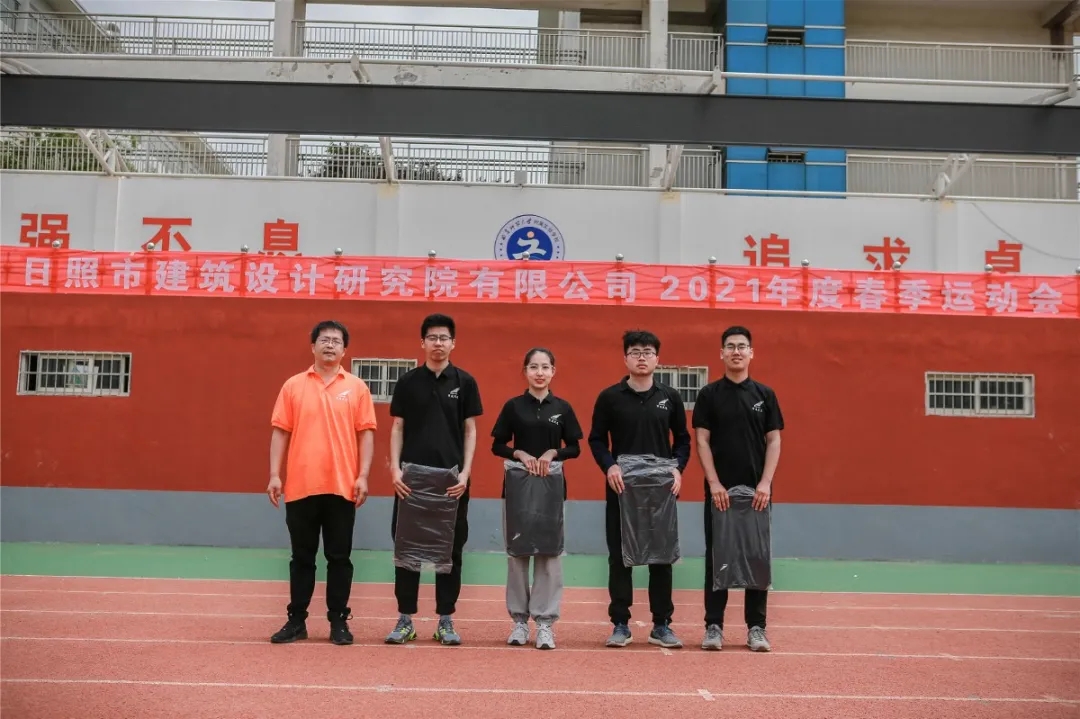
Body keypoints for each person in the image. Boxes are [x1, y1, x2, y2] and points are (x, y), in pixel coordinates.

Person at [266, 320, 378, 646]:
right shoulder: (293, 386)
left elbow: (366, 434)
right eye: (324, 340)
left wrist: (363, 475)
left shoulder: (356, 387)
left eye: (336, 341)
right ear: (312, 346)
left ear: (345, 350)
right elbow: (280, 431)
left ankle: (338, 621)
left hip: (342, 487)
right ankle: (296, 620)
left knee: (339, 558)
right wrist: (275, 474)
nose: (330, 345)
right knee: (302, 558)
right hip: (301, 486)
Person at [587, 329, 691, 649]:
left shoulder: (670, 397)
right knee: (620, 557)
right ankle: (621, 624)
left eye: (647, 352)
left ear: (657, 359)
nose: (641, 357)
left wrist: (677, 468)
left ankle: (662, 625)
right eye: (635, 352)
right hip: (622, 490)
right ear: (626, 358)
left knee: (661, 557)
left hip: (660, 492)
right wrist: (610, 466)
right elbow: (596, 439)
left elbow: (683, 440)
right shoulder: (610, 397)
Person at [385, 313, 483, 646]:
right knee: (407, 548)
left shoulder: (465, 382)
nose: (438, 343)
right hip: (411, 481)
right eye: (432, 337)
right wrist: (395, 471)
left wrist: (466, 473)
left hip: (452, 482)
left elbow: (470, 430)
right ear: (422, 342)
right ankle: (405, 619)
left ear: (453, 343)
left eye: (443, 338)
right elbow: (397, 427)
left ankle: (445, 620)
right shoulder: (408, 382)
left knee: (450, 552)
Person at [692, 325, 784, 652]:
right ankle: (713, 626)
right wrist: (714, 482)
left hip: (758, 493)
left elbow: (774, 441)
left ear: (751, 353)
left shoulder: (765, 395)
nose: (736, 351)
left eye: (742, 346)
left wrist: (765, 483)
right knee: (717, 556)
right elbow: (702, 440)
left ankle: (756, 628)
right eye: (730, 346)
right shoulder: (709, 395)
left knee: (757, 557)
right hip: (720, 494)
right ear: (721, 353)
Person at [491, 347, 583, 650]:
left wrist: (553, 452)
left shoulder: (563, 408)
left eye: (545, 367)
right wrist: (518, 452)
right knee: (518, 555)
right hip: (517, 491)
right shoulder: (513, 407)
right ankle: (519, 622)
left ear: (553, 371)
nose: (539, 372)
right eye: (533, 367)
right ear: (525, 371)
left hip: (551, 492)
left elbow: (575, 448)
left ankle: (544, 623)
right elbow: (498, 445)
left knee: (548, 556)